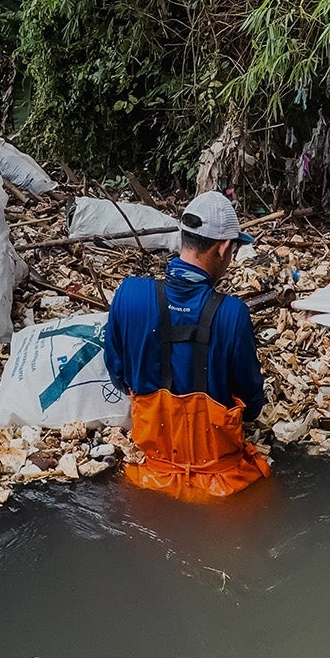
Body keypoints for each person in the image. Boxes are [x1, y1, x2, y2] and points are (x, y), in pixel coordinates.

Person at [103, 191, 272, 502]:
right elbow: (250, 402)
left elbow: (118, 374)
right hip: (220, 481)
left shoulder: (128, 294)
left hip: (149, 474)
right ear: (224, 248)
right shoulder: (233, 314)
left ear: (184, 238)